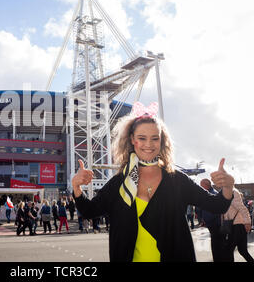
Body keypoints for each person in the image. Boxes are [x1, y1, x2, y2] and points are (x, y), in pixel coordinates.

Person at [72, 102, 234, 262]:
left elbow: (217, 205)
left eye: (154, 138)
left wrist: (228, 185)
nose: (148, 144)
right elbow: (89, 210)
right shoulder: (119, 183)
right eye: (142, 138)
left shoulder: (177, 180)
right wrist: (76, 186)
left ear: (162, 141)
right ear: (132, 140)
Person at [200, 178, 227, 262]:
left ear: (206, 185)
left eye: (201, 185)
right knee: (216, 244)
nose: (200, 186)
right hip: (212, 223)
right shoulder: (209, 193)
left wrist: (207, 220)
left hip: (215, 224)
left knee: (217, 245)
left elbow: (215, 211)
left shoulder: (212, 194)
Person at [223, 189, 254, 262]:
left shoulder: (232, 192)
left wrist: (248, 222)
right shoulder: (228, 192)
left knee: (228, 251)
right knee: (243, 251)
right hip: (238, 226)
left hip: (236, 226)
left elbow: (242, 208)